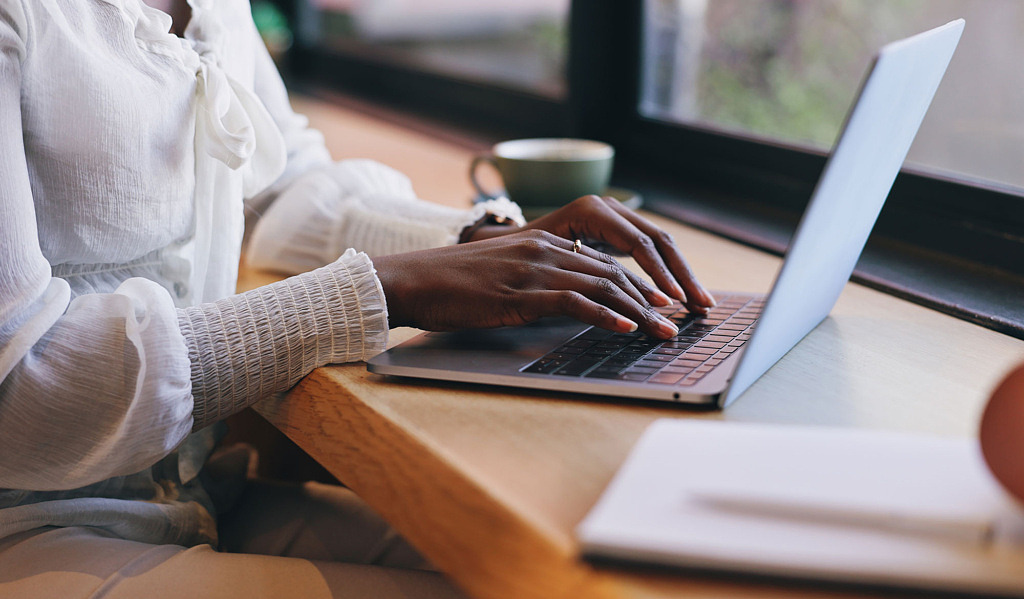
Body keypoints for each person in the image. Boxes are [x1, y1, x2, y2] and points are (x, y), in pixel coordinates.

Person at [0, 0, 715, 596]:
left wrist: (477, 243)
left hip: (192, 495)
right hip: (29, 532)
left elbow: (279, 184)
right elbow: (22, 386)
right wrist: (385, 290)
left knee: (558, 576)